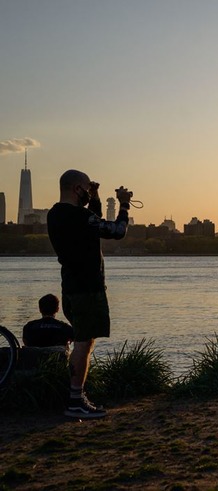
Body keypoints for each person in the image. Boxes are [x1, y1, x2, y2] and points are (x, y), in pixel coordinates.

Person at [47, 170, 132, 419]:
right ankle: (75, 401)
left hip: (71, 286)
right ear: (76, 189)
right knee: (84, 344)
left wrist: (94, 196)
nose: (87, 192)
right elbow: (116, 230)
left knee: (84, 340)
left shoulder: (56, 214)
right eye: (85, 188)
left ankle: (77, 397)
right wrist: (124, 204)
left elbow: (91, 219)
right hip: (87, 289)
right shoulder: (78, 216)